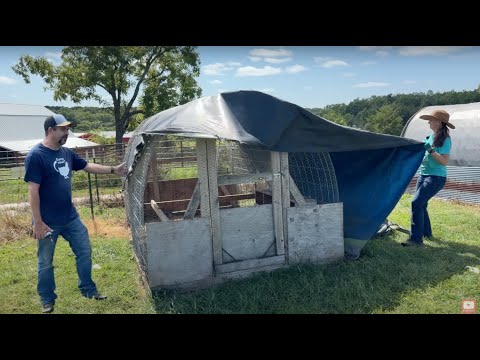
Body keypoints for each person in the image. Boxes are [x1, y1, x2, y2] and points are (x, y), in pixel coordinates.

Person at [24, 114, 127, 313]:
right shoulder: (36, 155)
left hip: (70, 218)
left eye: (67, 129)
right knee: (45, 262)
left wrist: (114, 169)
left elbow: (88, 166)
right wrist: (37, 222)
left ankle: (88, 289)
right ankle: (47, 299)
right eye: (63, 129)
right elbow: (32, 190)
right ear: (51, 130)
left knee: (84, 252)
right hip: (46, 222)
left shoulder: (66, 153)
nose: (67, 132)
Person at [402, 109, 455, 247]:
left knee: (416, 203)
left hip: (436, 177)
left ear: (439, 122)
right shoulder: (430, 137)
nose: (428, 122)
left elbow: (443, 161)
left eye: (431, 120)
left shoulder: (445, 140)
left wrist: (430, 150)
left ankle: (416, 240)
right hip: (424, 175)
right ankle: (426, 233)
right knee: (422, 204)